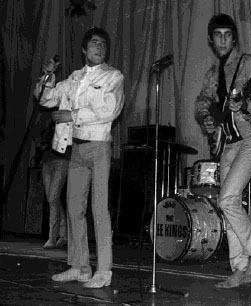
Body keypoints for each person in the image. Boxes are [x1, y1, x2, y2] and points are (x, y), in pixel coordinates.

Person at [34, 27, 124, 288]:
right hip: (76, 149)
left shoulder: (113, 76)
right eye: (94, 44)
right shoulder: (73, 78)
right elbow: (46, 99)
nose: (99, 48)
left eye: (103, 45)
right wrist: (47, 75)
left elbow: (109, 109)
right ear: (84, 49)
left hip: (98, 147)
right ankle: (80, 266)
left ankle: (104, 271)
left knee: (99, 208)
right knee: (74, 208)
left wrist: (72, 116)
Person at [195, 14, 251, 289]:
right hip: (227, 146)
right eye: (218, 34)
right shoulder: (211, 74)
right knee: (230, 208)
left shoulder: (248, 63)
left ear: (234, 37)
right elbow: (202, 103)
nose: (224, 39)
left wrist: (246, 106)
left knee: (227, 199)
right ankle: (240, 270)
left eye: (228, 34)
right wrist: (206, 118)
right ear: (211, 39)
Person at [35, 121, 70, 249]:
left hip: (62, 160)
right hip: (47, 161)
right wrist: (40, 144)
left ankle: (52, 237)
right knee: (52, 199)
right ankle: (64, 234)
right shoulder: (48, 127)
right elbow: (41, 145)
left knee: (53, 197)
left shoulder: (67, 123)